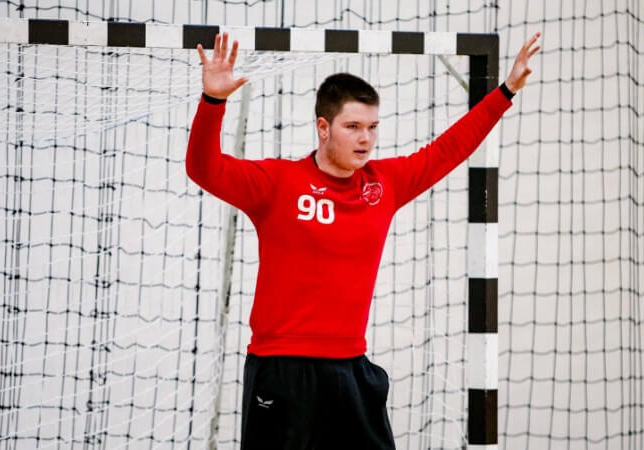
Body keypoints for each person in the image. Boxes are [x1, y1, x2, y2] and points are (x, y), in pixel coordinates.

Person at [186, 31, 540, 450]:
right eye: (353, 127)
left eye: (372, 128)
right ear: (323, 127)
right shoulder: (278, 182)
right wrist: (213, 101)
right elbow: (204, 169)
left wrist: (506, 90)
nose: (365, 139)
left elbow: (449, 149)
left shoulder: (384, 184)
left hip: (351, 369)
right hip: (283, 368)